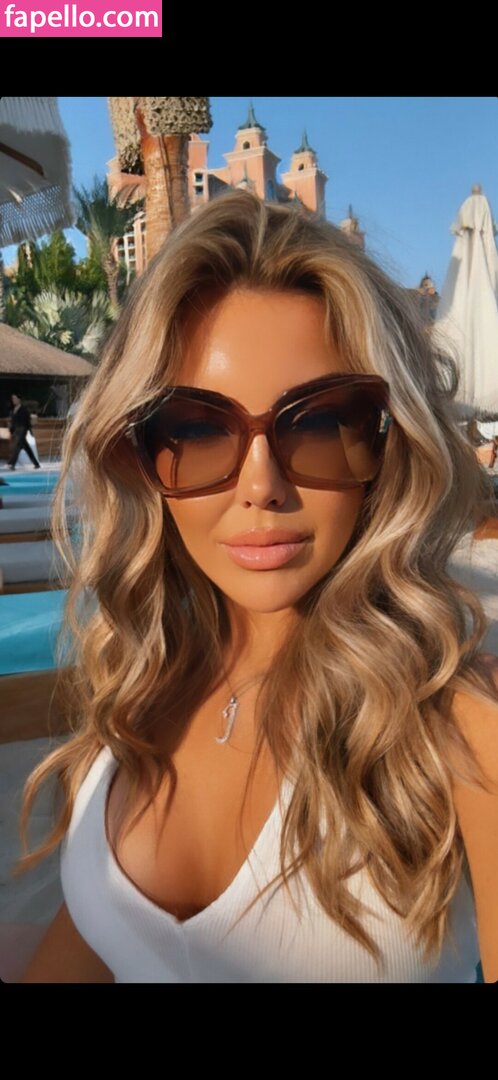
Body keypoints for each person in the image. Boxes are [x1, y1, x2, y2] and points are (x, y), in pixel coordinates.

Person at [11, 190, 498, 984]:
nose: (261, 486)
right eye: (197, 429)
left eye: (323, 422)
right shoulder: (126, 703)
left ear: (390, 445)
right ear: (139, 454)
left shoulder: (462, 731)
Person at [6, 393, 41, 470]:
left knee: (17, 447)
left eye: (15, 398)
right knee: (27, 448)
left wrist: (28, 430)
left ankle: (12, 463)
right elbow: (12, 422)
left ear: (19, 399)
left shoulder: (24, 410)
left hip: (22, 430)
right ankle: (36, 463)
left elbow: (27, 421)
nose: (13, 400)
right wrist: (11, 431)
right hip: (16, 431)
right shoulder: (13, 410)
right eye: (13, 399)